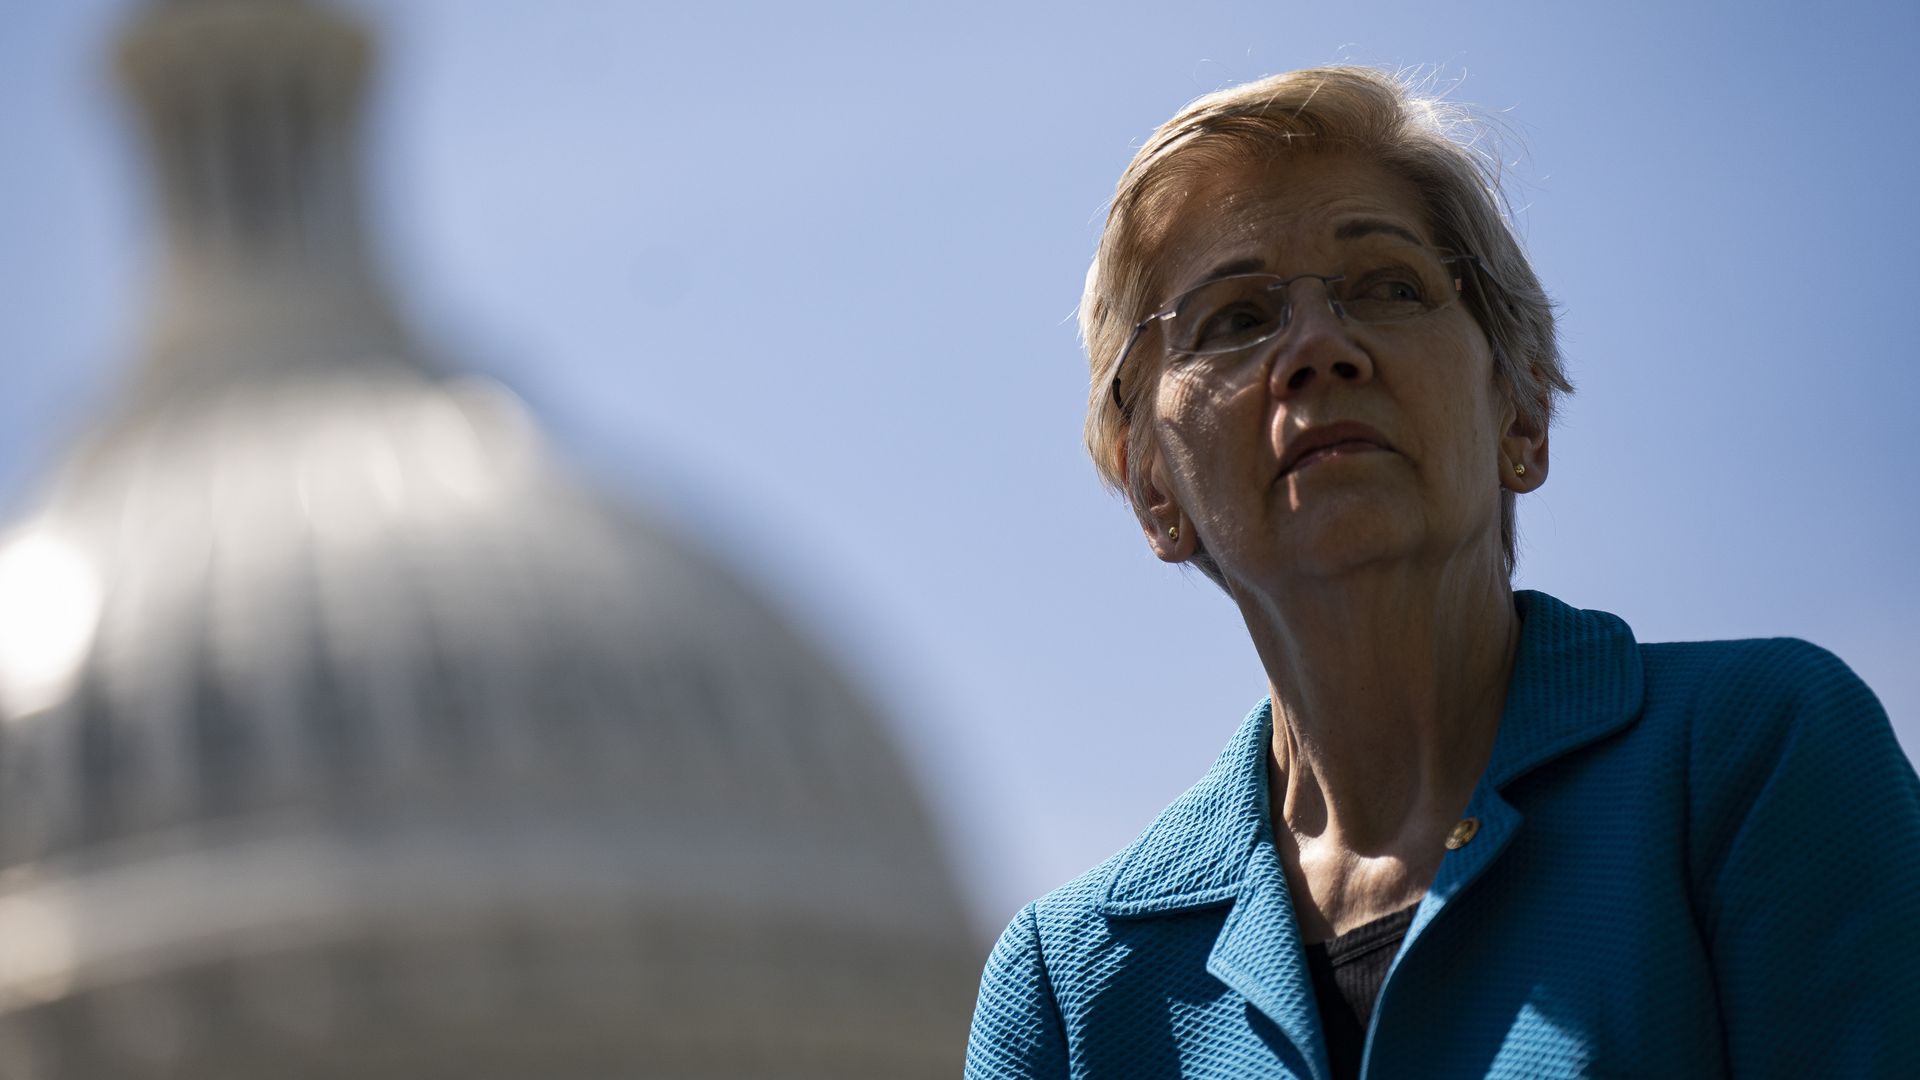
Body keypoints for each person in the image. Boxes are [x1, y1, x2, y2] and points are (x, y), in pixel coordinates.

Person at [964, 66, 1920, 1079]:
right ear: (1153, 486)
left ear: (1521, 412)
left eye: (1390, 287)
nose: (1319, 349)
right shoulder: (1073, 988)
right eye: (1236, 320)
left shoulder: (1754, 757)